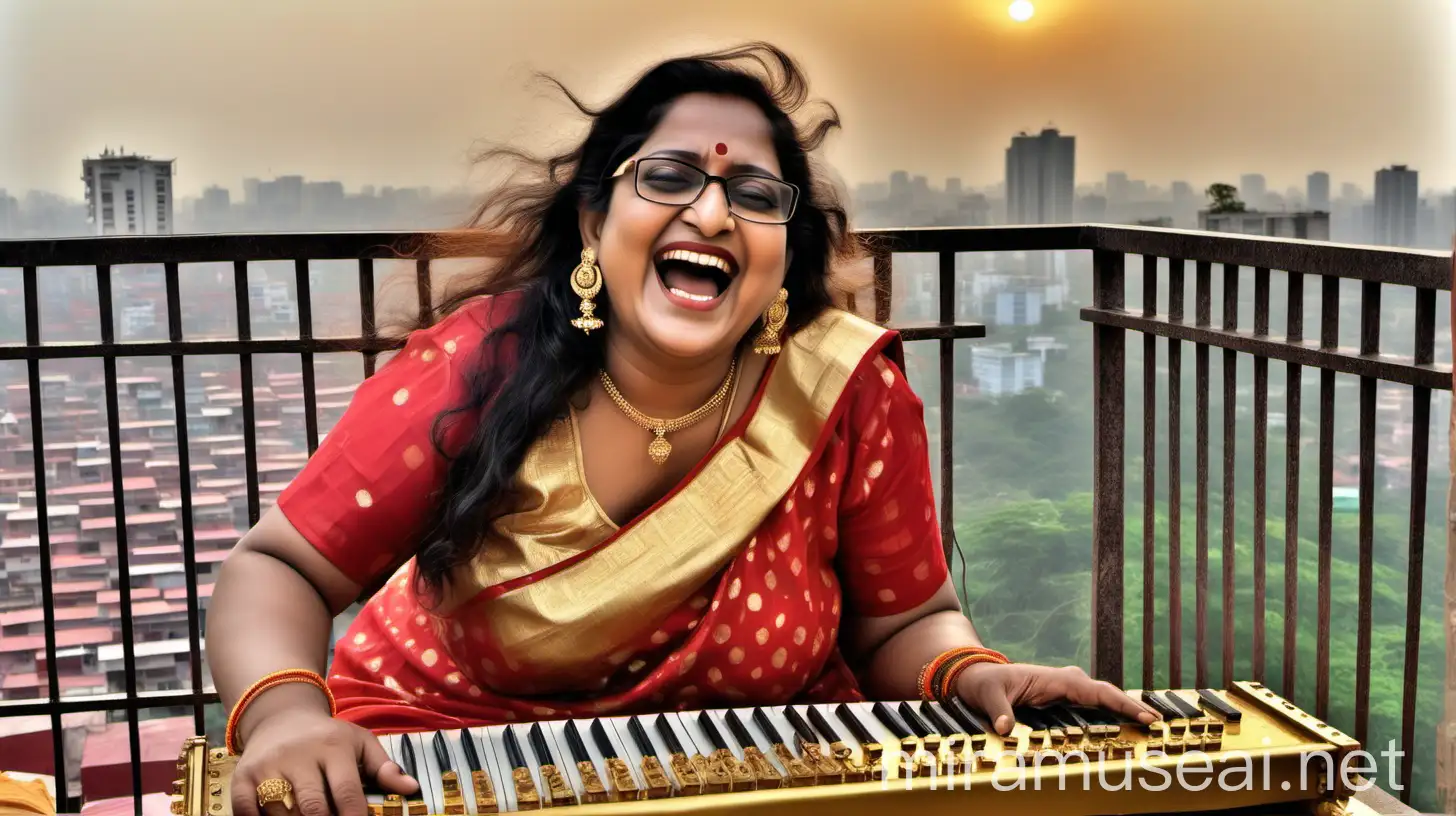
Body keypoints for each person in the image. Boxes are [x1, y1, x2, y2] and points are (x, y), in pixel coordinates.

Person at [208, 42, 1158, 816]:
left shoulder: (845, 391)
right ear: (593, 220)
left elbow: (904, 621)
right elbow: (282, 566)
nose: (711, 210)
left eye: (754, 196)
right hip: (451, 769)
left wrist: (972, 675)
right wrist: (287, 717)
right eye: (666, 177)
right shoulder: (476, 370)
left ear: (784, 251)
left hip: (762, 778)